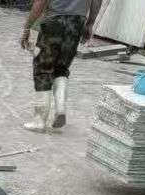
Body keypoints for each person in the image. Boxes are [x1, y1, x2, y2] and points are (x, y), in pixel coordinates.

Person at [21, 0, 102, 132]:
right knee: (62, 68)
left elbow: (40, 2)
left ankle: (39, 120)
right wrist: (90, 24)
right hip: (77, 23)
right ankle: (60, 109)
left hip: (54, 21)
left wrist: (27, 28)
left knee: (43, 69)